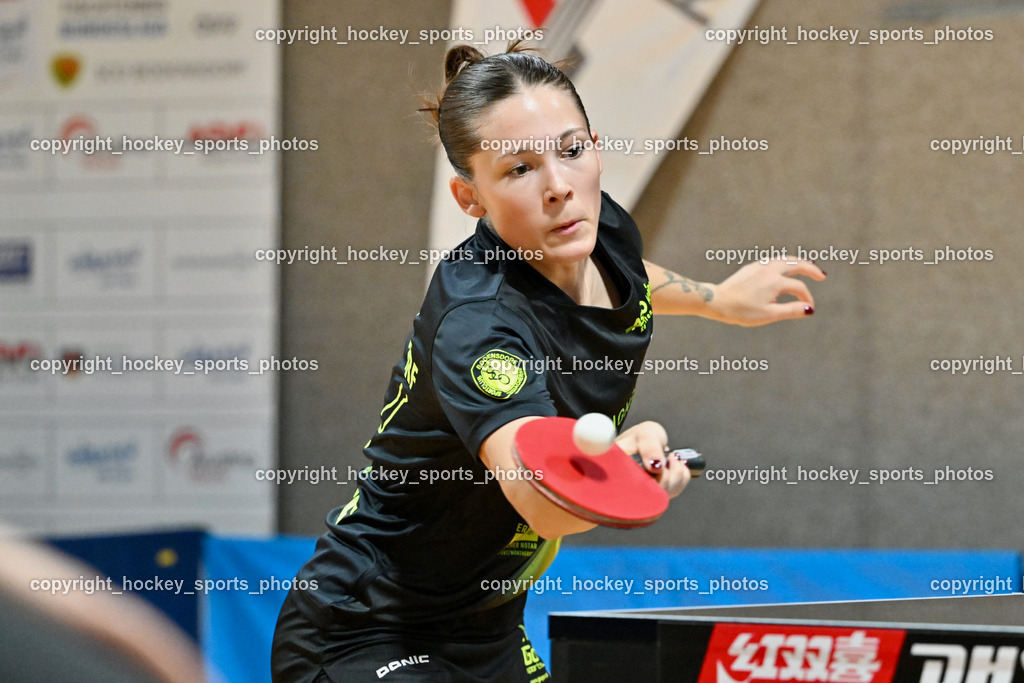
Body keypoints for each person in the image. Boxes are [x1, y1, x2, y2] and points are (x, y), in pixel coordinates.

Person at [271, 42, 825, 682]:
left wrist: (717, 300)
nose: (559, 186)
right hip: (367, 628)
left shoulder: (600, 228)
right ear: (469, 197)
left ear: (597, 147)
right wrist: (621, 470)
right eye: (519, 169)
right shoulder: (478, 325)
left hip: (488, 626)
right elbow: (543, 505)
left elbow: (628, 279)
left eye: (571, 150)